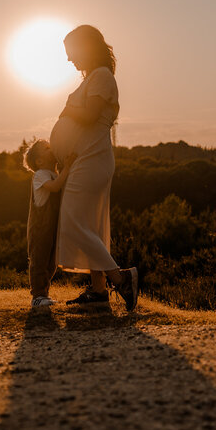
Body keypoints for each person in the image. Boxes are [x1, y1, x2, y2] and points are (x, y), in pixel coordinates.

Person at [49, 24, 139, 310]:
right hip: (86, 158)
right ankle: (99, 291)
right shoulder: (95, 78)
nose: (68, 60)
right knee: (88, 225)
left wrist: (67, 108)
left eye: (71, 52)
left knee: (73, 221)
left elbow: (89, 116)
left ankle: (121, 279)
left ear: (85, 47)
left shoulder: (101, 76)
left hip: (93, 159)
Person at [22, 140, 76, 308]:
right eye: (47, 148)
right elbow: (54, 187)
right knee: (39, 260)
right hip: (39, 228)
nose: (52, 148)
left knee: (51, 262)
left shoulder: (53, 173)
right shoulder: (40, 175)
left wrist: (63, 169)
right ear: (39, 161)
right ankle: (37, 295)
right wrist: (67, 168)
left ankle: (44, 293)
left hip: (52, 227)